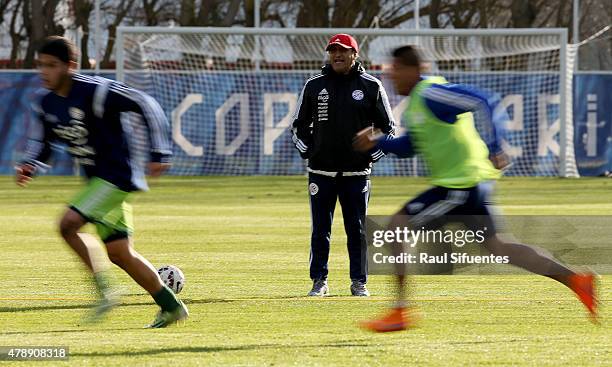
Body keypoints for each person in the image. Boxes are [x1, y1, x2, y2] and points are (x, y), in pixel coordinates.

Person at [353, 45, 598, 331]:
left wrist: (497, 144)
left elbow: (486, 100)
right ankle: (577, 280)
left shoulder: (432, 93)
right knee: (499, 246)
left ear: (414, 70)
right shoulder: (417, 105)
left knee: (398, 226)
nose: (391, 78)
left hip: (460, 186)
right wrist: (378, 142)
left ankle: (400, 311)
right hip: (471, 183)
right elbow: (411, 146)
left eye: (395, 70)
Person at [16, 36, 188, 328]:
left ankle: (106, 291)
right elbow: (44, 139)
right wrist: (31, 163)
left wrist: (159, 151)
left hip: (116, 176)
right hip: (98, 181)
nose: (44, 71)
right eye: (40, 65)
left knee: (67, 225)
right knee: (120, 253)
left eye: (51, 65)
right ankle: (171, 306)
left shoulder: (95, 91)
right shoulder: (47, 103)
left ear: (70, 66)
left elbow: (144, 102)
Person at [291, 33, 395, 296]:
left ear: (354, 55)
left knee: (358, 230)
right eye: (333, 51)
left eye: (343, 51)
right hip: (321, 172)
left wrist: (371, 156)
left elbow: (389, 129)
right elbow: (298, 126)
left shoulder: (371, 86)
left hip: (357, 173)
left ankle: (359, 282)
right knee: (320, 230)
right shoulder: (314, 85)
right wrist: (310, 151)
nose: (337, 55)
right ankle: (319, 281)